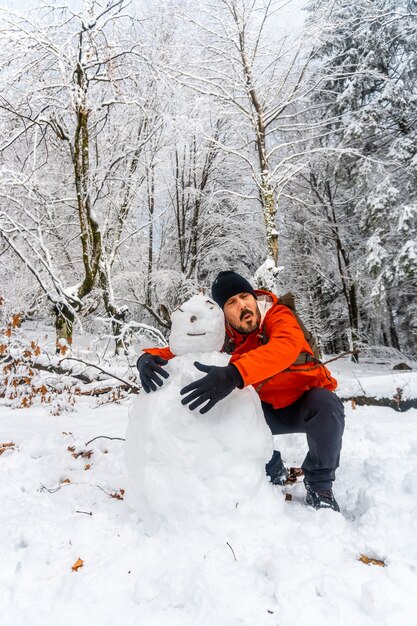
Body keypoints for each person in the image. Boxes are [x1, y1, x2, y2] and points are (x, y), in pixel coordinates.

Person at [137, 271, 345, 512]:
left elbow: (285, 346)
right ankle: (268, 461)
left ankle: (320, 486)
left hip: (305, 403)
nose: (242, 305)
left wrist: (233, 374)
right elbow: (181, 348)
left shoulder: (278, 315)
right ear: (223, 314)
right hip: (263, 411)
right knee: (221, 409)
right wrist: (146, 358)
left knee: (327, 404)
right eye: (231, 303)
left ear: (254, 298)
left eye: (245, 296)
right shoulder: (224, 336)